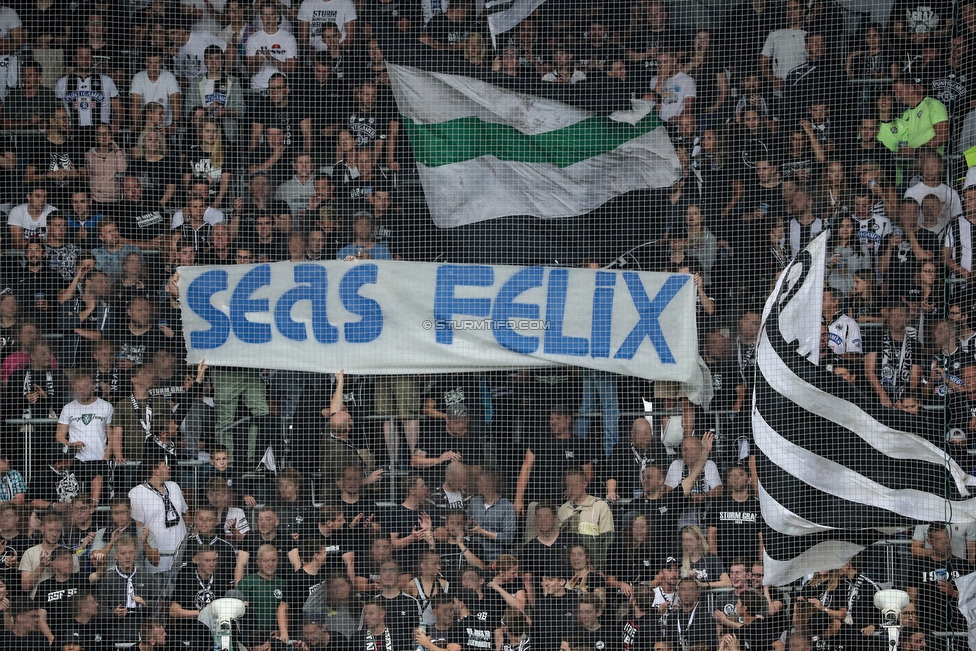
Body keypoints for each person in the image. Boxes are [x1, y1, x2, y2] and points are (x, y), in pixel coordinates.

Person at [127, 452, 188, 573]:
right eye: (164, 466)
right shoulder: (136, 493)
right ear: (156, 471)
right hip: (157, 559)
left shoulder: (174, 486)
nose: (168, 467)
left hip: (182, 558)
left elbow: (185, 514)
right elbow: (137, 528)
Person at [465, 469, 515, 562]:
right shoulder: (474, 502)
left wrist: (483, 532)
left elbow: (509, 538)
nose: (477, 483)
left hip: (496, 559)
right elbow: (467, 529)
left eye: (480, 480)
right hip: (474, 558)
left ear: (491, 484)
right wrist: (467, 529)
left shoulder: (507, 506)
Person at [238, 544, 286, 634]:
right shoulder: (246, 583)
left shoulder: (283, 584)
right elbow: (243, 615)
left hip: (275, 637)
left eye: (273, 560)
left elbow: (288, 613)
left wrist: (280, 631)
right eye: (266, 561)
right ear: (258, 562)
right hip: (253, 637)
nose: (270, 564)